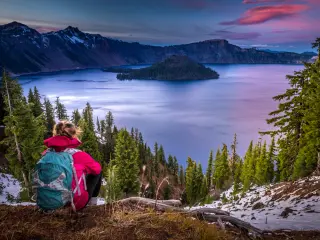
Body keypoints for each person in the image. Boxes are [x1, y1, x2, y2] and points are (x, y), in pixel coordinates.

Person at [43, 120, 102, 211]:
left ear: (55, 134)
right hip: (73, 204)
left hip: (46, 202)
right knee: (97, 171)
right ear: (73, 135)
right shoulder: (77, 154)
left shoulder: (46, 154)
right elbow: (97, 169)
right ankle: (92, 205)